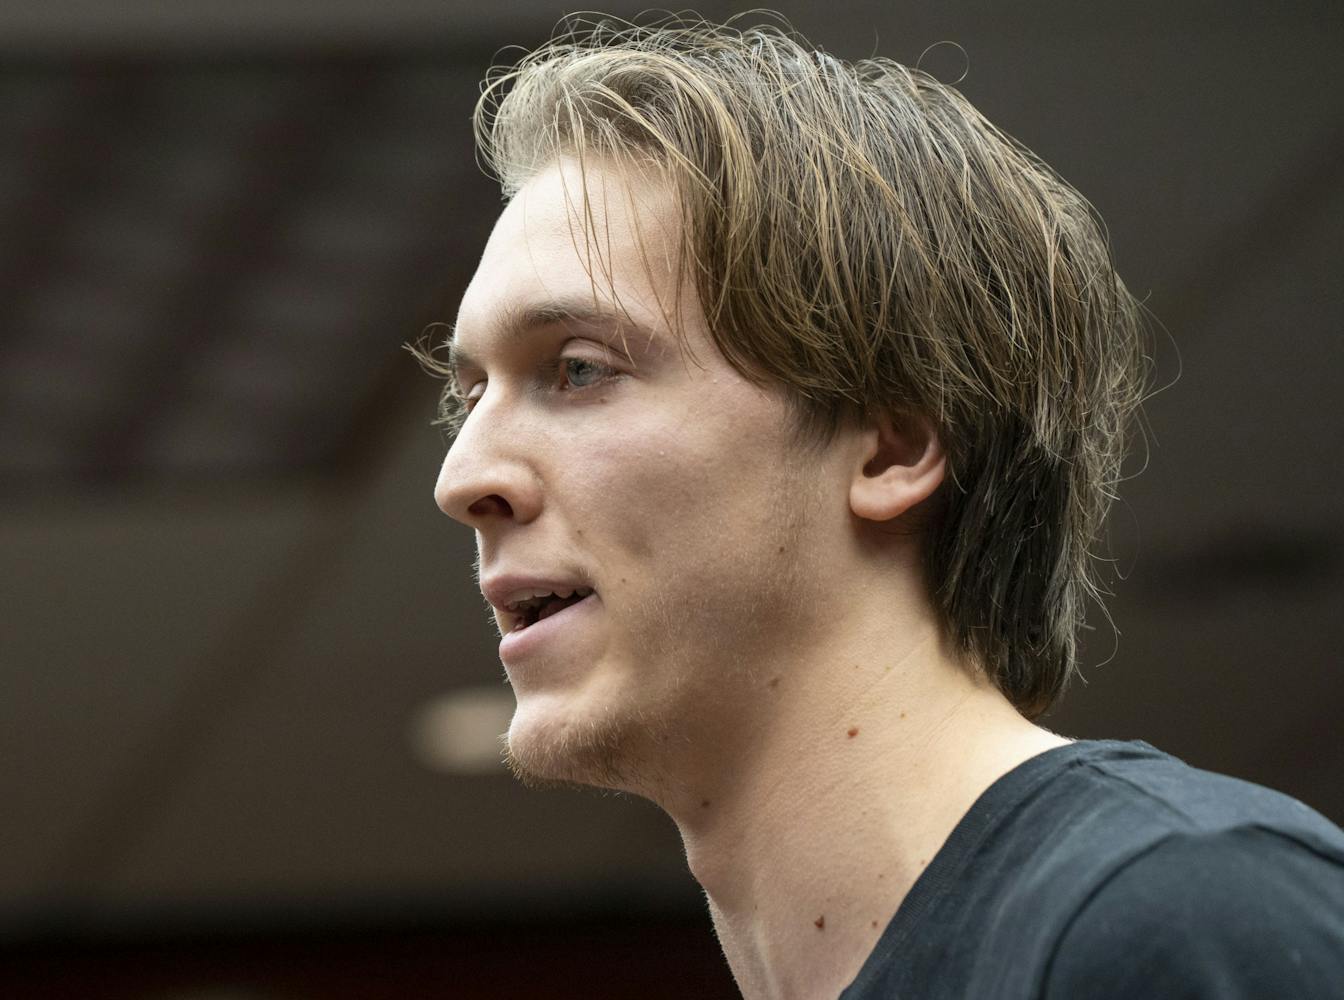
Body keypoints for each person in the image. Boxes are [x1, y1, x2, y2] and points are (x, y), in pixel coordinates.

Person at [425, 16, 1344, 999]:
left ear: (890, 447)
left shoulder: (1185, 916)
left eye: (577, 369)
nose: (461, 479)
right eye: (469, 394)